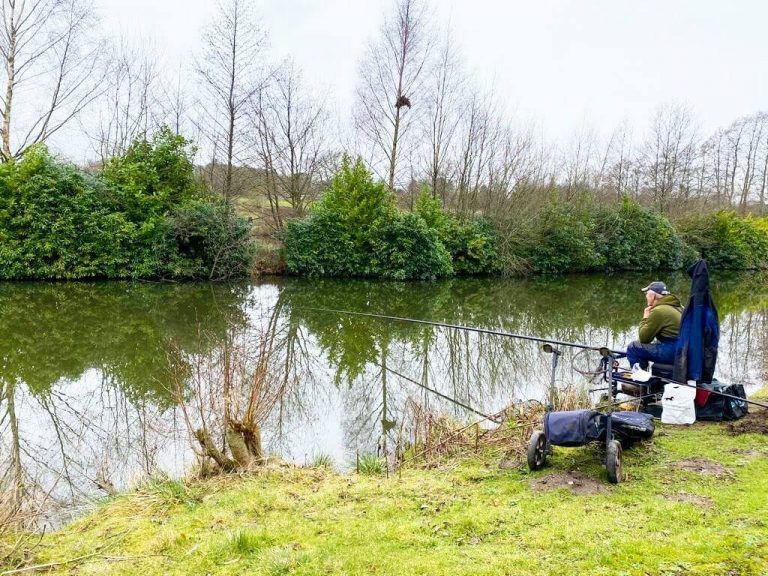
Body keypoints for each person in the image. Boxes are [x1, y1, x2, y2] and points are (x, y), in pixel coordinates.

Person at [626, 281, 684, 369]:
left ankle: (639, 378)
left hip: (673, 351)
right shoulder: (679, 307)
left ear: (652, 296)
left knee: (633, 347)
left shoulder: (659, 311)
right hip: (684, 349)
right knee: (655, 343)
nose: (645, 297)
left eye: (646, 294)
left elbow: (644, 338)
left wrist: (645, 317)